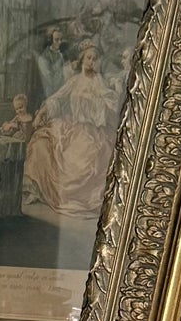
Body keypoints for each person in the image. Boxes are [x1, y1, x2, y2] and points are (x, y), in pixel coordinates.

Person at [22, 44, 122, 217]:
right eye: (89, 57)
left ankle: (83, 198)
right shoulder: (75, 80)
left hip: (92, 131)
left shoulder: (100, 81)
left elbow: (112, 103)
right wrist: (42, 113)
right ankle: (37, 190)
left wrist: (117, 88)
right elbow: (58, 99)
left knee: (93, 157)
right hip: (73, 126)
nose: (92, 61)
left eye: (94, 58)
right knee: (41, 142)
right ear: (82, 59)